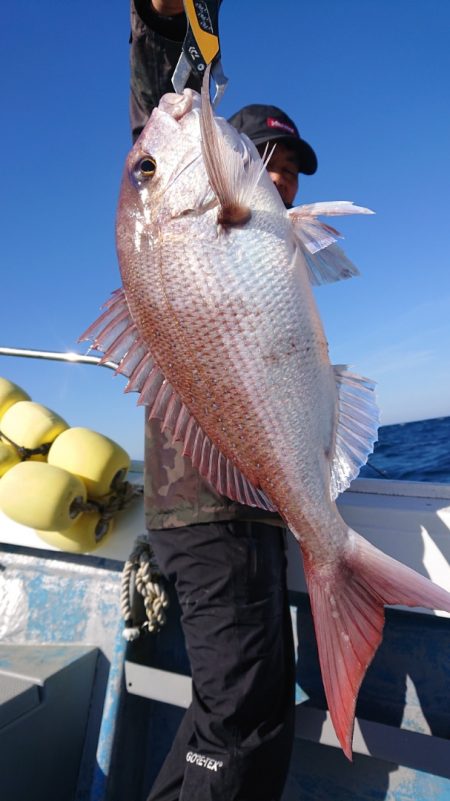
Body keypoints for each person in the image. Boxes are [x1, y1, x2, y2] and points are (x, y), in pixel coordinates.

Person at [129, 3, 318, 800]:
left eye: (292, 168)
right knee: (240, 720)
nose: (282, 175)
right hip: (208, 505)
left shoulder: (277, 238)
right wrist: (162, 22)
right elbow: (157, 114)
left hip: (248, 502)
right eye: (268, 155)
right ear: (228, 154)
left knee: (251, 709)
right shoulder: (184, 197)